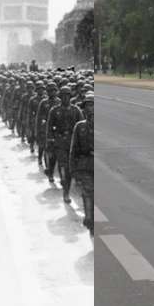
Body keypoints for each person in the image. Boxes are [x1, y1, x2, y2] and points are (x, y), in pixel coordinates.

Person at [47, 85, 84, 203]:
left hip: (74, 143)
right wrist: (50, 140)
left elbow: (82, 126)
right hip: (60, 142)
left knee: (76, 168)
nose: (65, 98)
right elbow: (49, 126)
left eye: (67, 96)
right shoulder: (54, 110)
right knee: (66, 168)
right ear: (60, 97)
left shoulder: (76, 110)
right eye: (63, 96)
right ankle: (66, 193)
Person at [70, 92, 94, 232]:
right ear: (84, 109)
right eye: (88, 106)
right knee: (87, 193)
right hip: (85, 165)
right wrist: (73, 170)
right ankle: (89, 219)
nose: (91, 109)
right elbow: (74, 150)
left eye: (93, 105)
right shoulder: (79, 127)